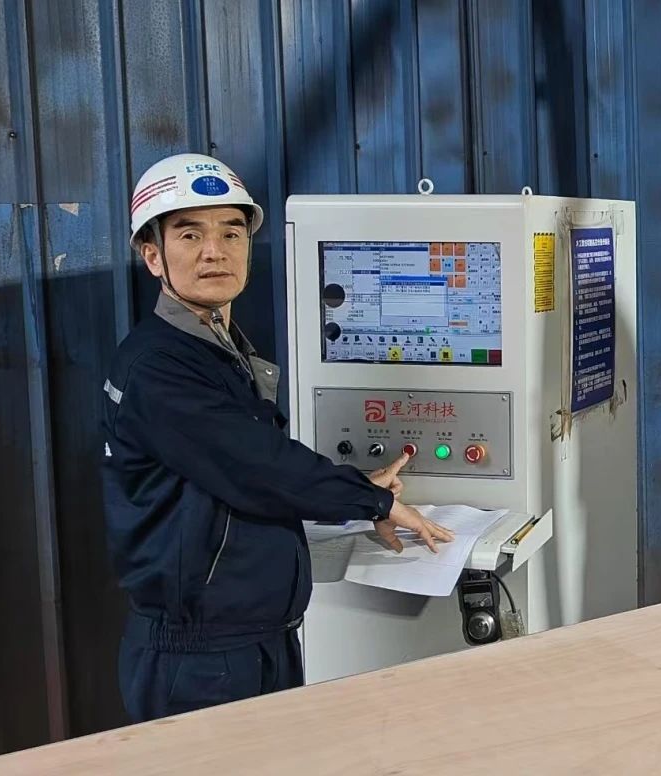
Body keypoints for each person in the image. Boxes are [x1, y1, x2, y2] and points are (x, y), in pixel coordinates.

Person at [100, 153, 453, 723]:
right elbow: (256, 464)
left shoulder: (216, 345)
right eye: (190, 234)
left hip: (254, 640)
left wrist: (354, 487)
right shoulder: (159, 366)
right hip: (200, 659)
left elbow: (241, 468)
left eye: (231, 232)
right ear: (153, 256)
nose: (215, 251)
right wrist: (371, 500)